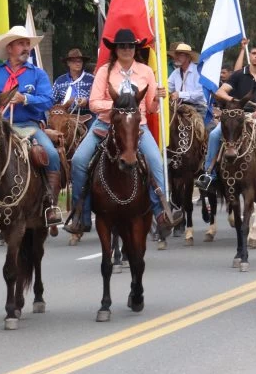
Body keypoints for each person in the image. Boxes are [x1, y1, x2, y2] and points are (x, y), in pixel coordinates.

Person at [64, 28, 183, 234]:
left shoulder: (146, 71)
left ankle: (162, 212)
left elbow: (152, 108)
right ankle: (80, 215)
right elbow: (93, 103)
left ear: (135, 49)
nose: (126, 49)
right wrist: (117, 109)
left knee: (155, 161)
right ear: (116, 49)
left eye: (130, 46)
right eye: (122, 46)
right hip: (105, 124)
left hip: (138, 127)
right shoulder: (104, 71)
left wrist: (157, 98)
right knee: (79, 160)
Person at [0, 26, 63, 232]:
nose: (26, 48)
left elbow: (48, 101)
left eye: (27, 44)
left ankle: (51, 206)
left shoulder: (38, 75)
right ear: (9, 48)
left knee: (51, 155)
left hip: (29, 126)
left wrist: (25, 98)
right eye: (21, 44)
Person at [195, 42, 256, 194]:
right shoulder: (239, 74)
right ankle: (208, 174)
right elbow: (220, 92)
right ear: (250, 55)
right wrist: (233, 101)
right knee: (214, 134)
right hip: (237, 116)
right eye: (254, 53)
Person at [167, 42, 207, 118]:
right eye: (176, 54)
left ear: (188, 57)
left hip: (198, 107)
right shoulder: (176, 72)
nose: (176, 57)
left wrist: (180, 94)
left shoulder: (198, 71)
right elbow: (167, 87)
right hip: (180, 107)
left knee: (207, 128)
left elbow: (200, 93)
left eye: (180, 55)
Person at [52, 48, 95, 116]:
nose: (78, 64)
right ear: (68, 63)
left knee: (93, 126)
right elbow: (52, 100)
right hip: (63, 114)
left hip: (86, 113)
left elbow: (97, 98)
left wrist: (86, 101)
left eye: (80, 61)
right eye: (74, 61)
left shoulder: (91, 79)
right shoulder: (59, 81)